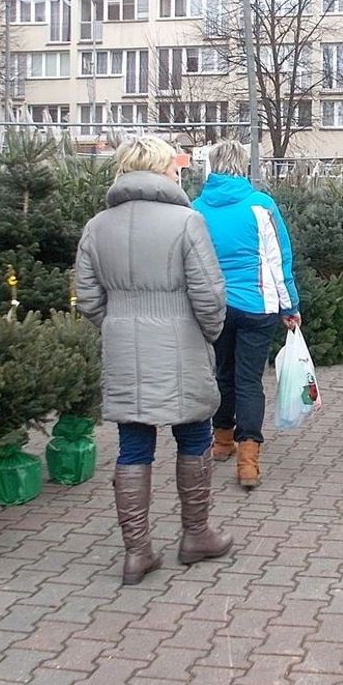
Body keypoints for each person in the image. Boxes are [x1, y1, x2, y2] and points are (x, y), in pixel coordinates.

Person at [74, 136, 233, 585]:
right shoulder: (187, 222)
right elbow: (209, 294)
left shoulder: (97, 226)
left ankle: (137, 552)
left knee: (133, 445)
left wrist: (118, 325)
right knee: (194, 434)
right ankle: (196, 534)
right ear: (164, 169)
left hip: (123, 348)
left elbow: (87, 297)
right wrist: (207, 334)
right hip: (182, 343)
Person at [192, 140, 300, 489]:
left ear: (213, 166)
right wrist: (290, 306)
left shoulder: (195, 208)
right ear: (243, 166)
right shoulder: (260, 205)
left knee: (222, 374)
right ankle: (248, 462)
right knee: (249, 381)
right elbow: (278, 260)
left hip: (215, 307)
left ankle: (222, 441)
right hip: (257, 306)